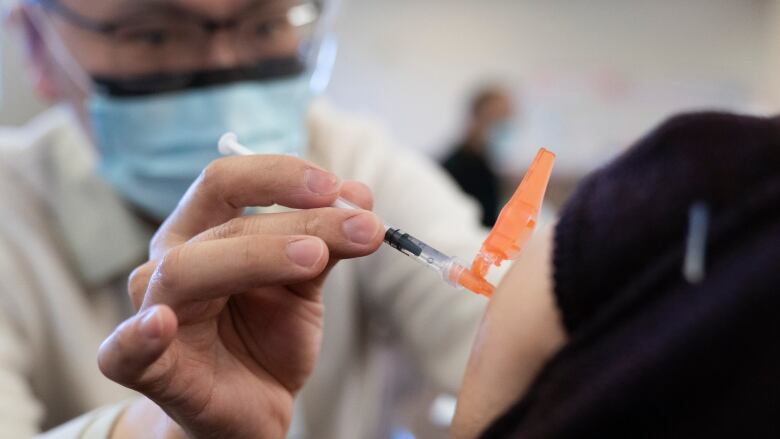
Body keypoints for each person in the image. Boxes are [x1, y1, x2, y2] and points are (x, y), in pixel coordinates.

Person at [0, 0, 489, 437]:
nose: (225, 70)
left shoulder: (352, 160)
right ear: (39, 45)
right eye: (154, 34)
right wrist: (164, 426)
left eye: (266, 24)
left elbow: (501, 328)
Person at [442, 85, 517, 227]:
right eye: (497, 117)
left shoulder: (487, 163)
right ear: (477, 116)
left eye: (507, 117)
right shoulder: (454, 166)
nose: (504, 124)